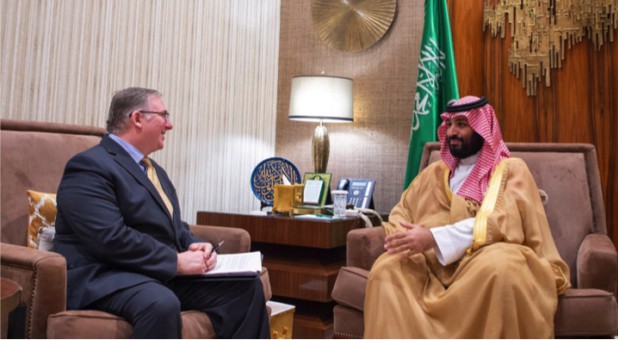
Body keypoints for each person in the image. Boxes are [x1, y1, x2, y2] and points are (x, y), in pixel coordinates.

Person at [53, 87, 270, 338]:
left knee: (246, 288)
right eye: (164, 115)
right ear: (137, 119)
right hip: (106, 275)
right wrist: (176, 262)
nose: (170, 125)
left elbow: (174, 227)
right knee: (161, 303)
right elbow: (109, 237)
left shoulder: (152, 169)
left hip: (152, 272)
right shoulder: (90, 166)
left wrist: (196, 245)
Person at [364, 96, 570, 338]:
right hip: (431, 266)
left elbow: (501, 221)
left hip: (483, 258)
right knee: (387, 268)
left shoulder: (510, 170)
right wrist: (406, 239)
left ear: (482, 128)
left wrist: (432, 237)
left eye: (462, 124)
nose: (452, 131)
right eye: (449, 124)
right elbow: (403, 212)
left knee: (504, 267)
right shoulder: (433, 174)